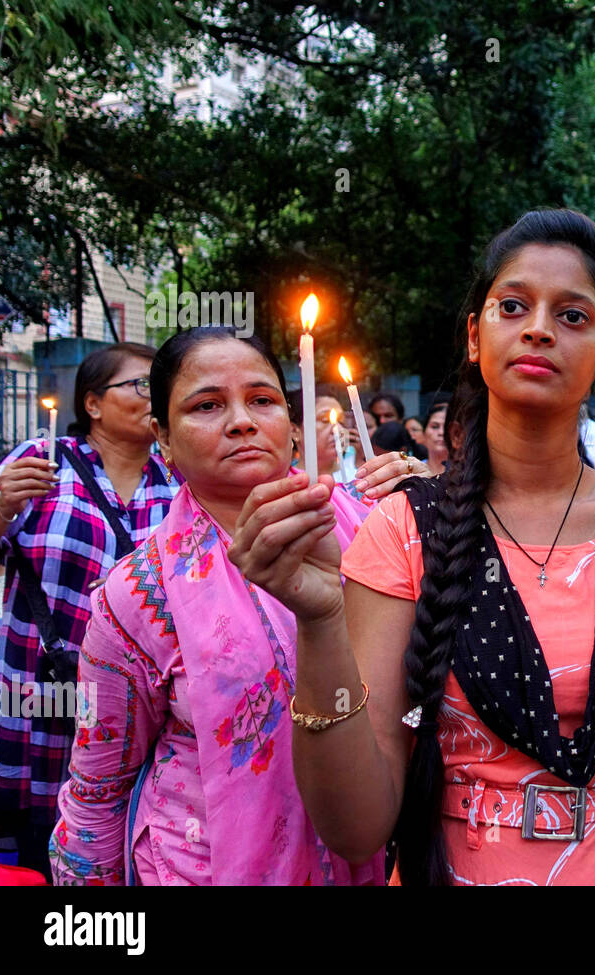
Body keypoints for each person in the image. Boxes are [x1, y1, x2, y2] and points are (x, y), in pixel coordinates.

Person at [232, 208, 595, 885]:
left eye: (572, 316)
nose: (539, 326)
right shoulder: (402, 530)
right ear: (477, 337)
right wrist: (320, 623)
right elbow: (355, 826)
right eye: (514, 306)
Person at [48, 328, 413, 885]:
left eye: (262, 400)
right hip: (201, 867)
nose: (242, 421)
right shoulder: (137, 596)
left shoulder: (378, 526)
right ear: (162, 438)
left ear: (291, 428)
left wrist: (438, 504)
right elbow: (98, 788)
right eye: (207, 405)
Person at [0, 342, 176, 878]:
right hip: (38, 695)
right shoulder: (41, 463)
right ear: (93, 403)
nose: (153, 396)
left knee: (117, 839)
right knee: (33, 845)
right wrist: (1, 509)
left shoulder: (177, 484)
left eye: (160, 386)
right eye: (140, 384)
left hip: (134, 708)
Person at [421, 398, 451, 477]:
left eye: (447, 427)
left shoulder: (465, 474)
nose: (441, 432)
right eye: (435, 427)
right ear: (424, 433)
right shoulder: (413, 471)